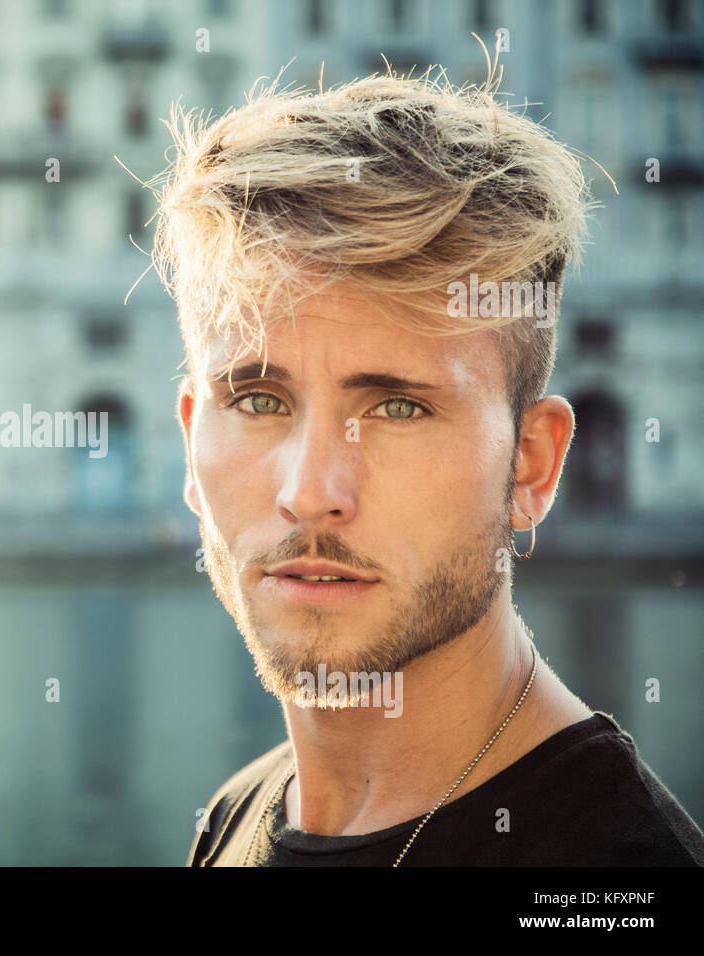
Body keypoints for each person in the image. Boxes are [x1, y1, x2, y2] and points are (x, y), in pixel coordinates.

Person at [146, 66, 704, 866]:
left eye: (397, 408)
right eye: (260, 401)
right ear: (193, 447)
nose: (309, 493)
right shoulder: (241, 811)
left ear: (530, 467)